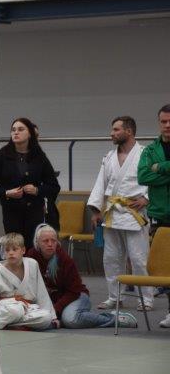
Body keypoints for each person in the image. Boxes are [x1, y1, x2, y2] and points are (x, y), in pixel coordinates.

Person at [88, 116, 153, 311]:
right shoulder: (109, 157)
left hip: (135, 212)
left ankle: (146, 299)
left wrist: (147, 197)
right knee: (111, 258)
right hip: (112, 213)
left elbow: (155, 178)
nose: (112, 133)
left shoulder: (145, 153)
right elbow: (101, 183)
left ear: (129, 131)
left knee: (139, 259)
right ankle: (115, 297)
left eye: (116, 130)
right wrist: (96, 210)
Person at [26, 223, 138, 328]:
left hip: (76, 296)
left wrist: (55, 310)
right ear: (37, 243)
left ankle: (115, 319)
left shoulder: (65, 260)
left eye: (53, 241)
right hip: (52, 300)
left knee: (70, 319)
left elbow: (73, 291)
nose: (50, 244)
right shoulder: (30, 258)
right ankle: (66, 318)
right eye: (45, 241)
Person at [0, 117, 60, 249]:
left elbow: (53, 186)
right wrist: (6, 192)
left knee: (32, 249)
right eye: (13, 130)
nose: (16, 132)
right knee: (15, 248)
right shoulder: (2, 155)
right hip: (11, 212)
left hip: (34, 211)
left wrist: (37, 190)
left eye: (20, 129)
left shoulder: (39, 156)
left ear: (29, 133)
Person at [137, 104, 170, 328]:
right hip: (160, 214)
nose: (167, 125)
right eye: (163, 121)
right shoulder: (150, 150)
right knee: (166, 265)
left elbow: (153, 173)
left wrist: (161, 167)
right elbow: (143, 176)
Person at [0, 233, 57, 331]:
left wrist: (53, 317)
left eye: (14, 249)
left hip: (27, 308)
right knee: (16, 311)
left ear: (23, 250)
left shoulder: (32, 264)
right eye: (7, 250)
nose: (11, 253)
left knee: (46, 317)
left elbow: (41, 292)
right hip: (8, 308)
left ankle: (10, 324)